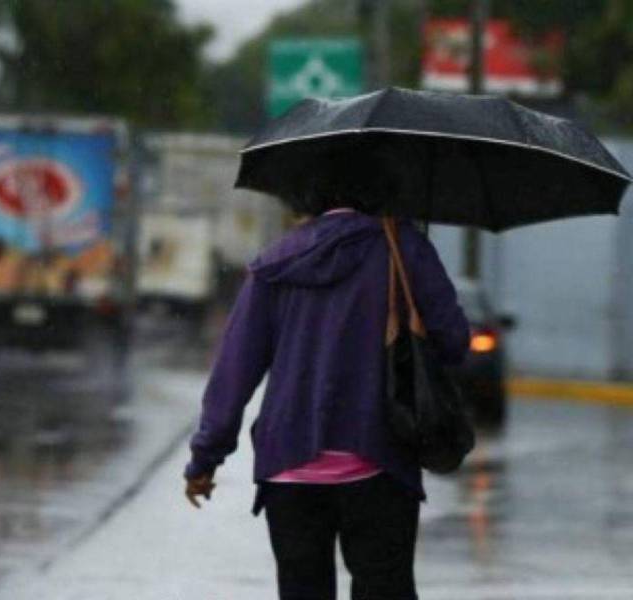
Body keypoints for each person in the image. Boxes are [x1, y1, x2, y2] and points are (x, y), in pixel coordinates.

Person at [183, 206, 470, 600]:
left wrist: (205, 459)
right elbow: (454, 341)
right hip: (380, 460)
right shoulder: (403, 248)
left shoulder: (277, 260)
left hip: (289, 465)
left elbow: (234, 370)